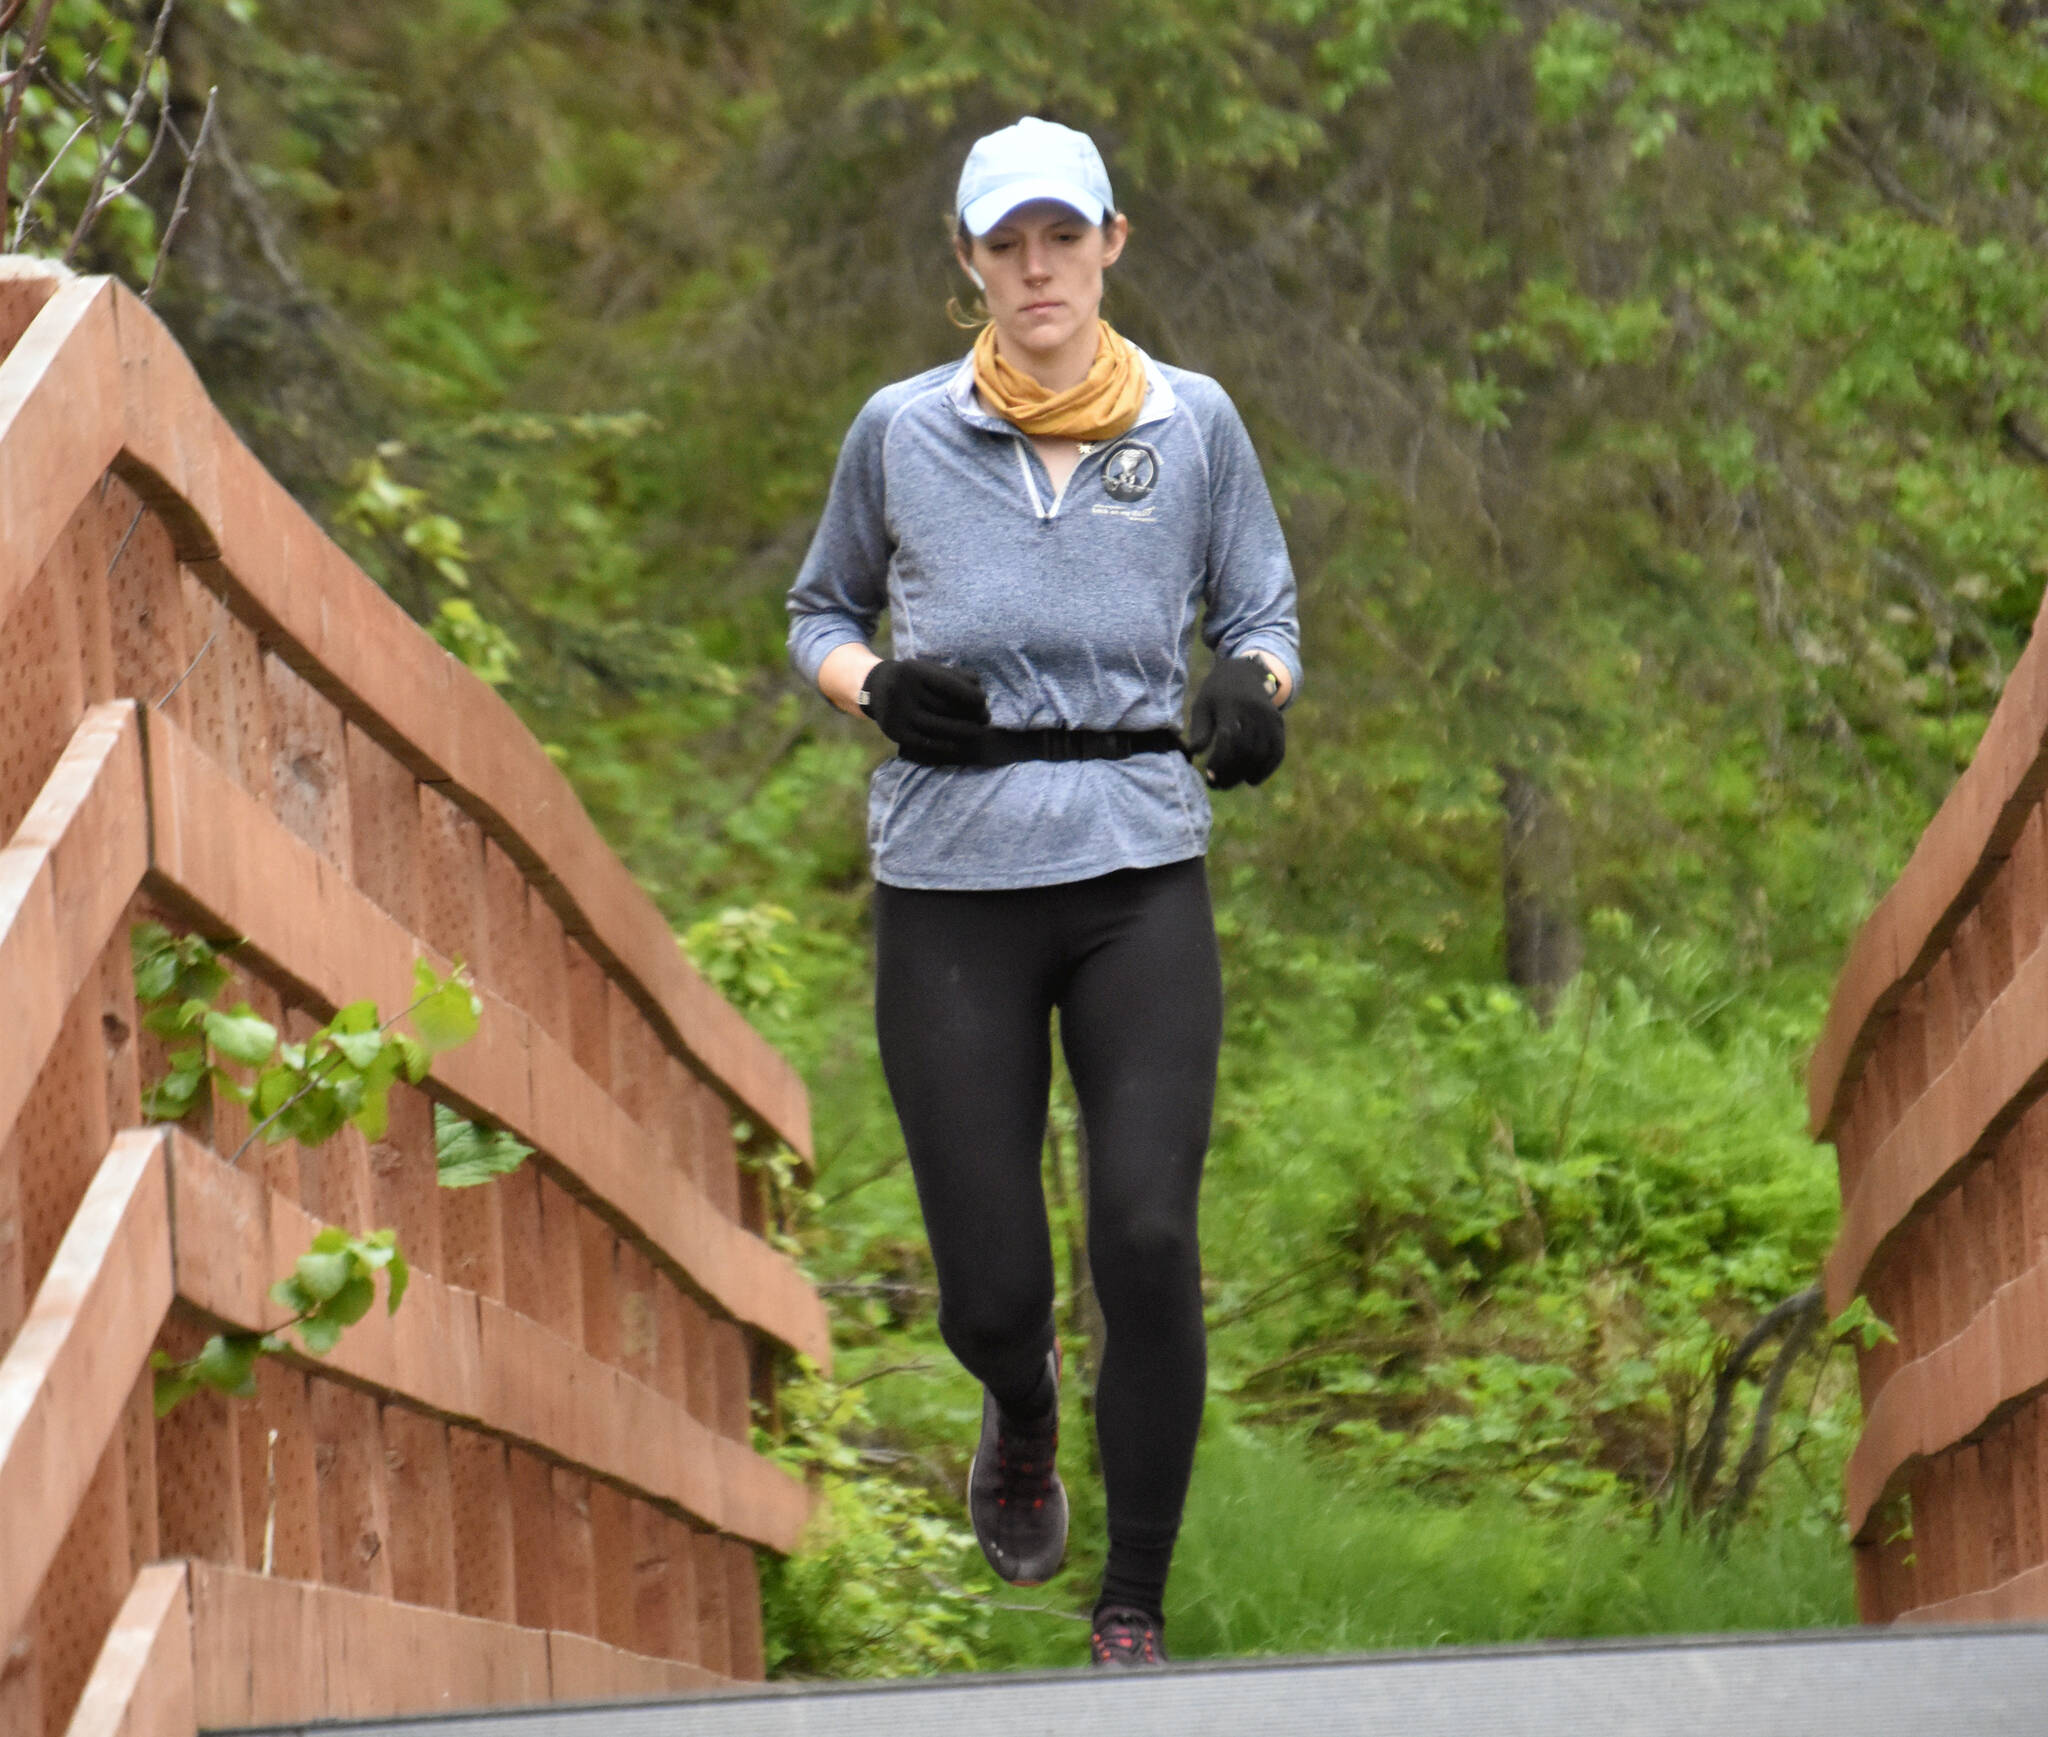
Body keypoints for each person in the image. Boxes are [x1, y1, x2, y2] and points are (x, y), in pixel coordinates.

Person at [786, 115, 1301, 1671]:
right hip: (953, 872)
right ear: (969, 262)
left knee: (1145, 1232)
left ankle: (1130, 1601)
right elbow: (816, 609)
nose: (1035, 270)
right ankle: (1017, 1402)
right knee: (995, 1283)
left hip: (1141, 857)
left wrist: (1252, 692)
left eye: (1060, 239)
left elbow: (1264, 610)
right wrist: (878, 685)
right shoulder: (901, 430)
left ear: (1110, 245)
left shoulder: (1194, 423)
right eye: (1004, 245)